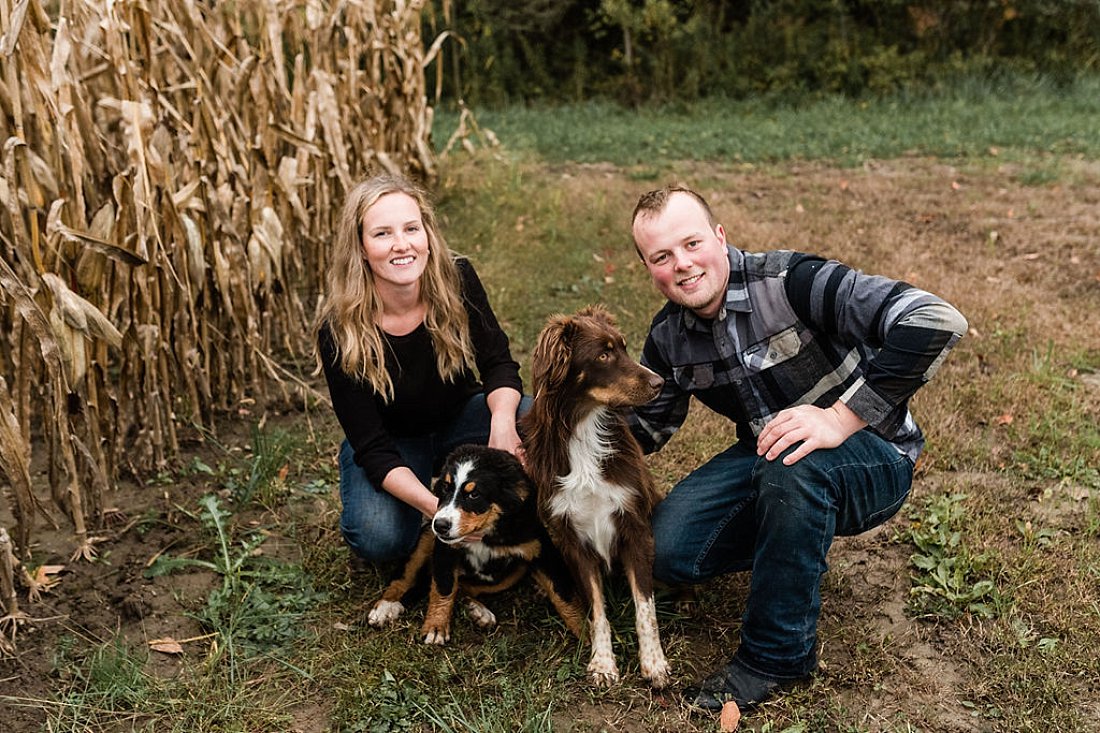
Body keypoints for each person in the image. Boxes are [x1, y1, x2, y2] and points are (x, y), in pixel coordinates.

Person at [627, 185, 967, 712]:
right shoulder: (668, 338)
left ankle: (775, 658)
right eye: (662, 257)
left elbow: (934, 319)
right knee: (667, 550)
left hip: (871, 452)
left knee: (797, 469)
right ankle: (796, 540)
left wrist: (838, 418)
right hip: (769, 455)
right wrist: (554, 442)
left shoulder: (792, 282)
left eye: (692, 244)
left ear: (720, 236)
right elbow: (646, 431)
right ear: (649, 267)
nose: (683, 265)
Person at [316, 173, 526, 566]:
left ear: (427, 232)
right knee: (380, 540)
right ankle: (420, 519)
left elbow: (498, 364)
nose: (401, 245)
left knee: (533, 420)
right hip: (392, 445)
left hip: (460, 421)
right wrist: (442, 512)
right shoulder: (338, 328)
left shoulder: (457, 279)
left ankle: (540, 527)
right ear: (360, 248)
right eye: (382, 234)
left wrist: (502, 422)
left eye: (411, 228)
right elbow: (373, 446)